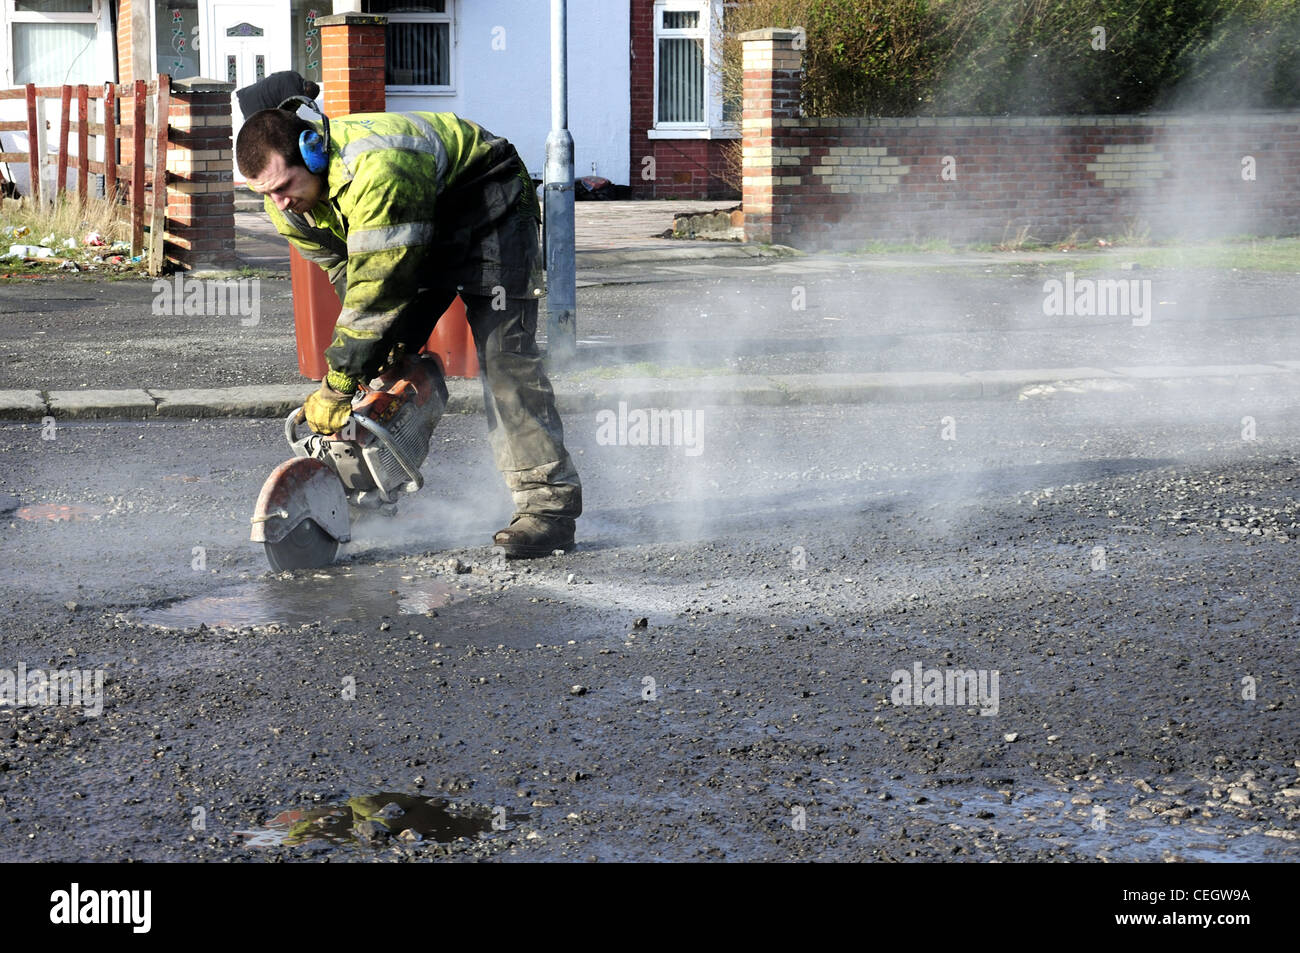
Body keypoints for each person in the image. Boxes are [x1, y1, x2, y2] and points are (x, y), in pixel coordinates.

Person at [235, 105, 581, 558]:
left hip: (487, 199)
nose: (278, 203)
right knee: (378, 355)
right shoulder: (288, 209)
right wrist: (374, 356)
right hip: (417, 217)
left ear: (313, 153)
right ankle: (368, 487)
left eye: (283, 187)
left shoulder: (378, 170)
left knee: (504, 358)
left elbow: (380, 285)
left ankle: (548, 508)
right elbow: (348, 272)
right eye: (266, 193)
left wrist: (338, 382)